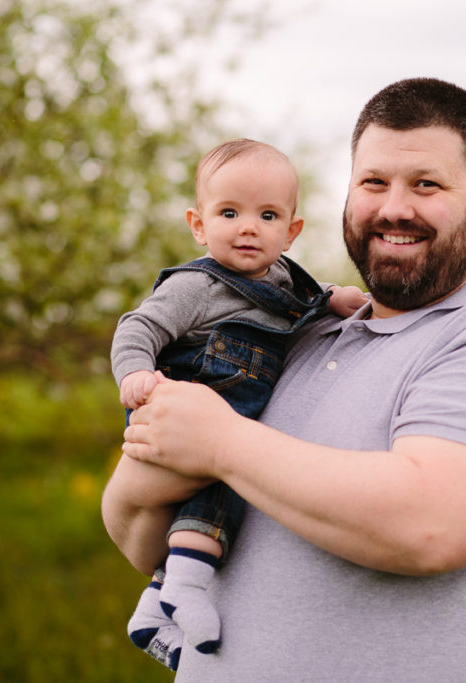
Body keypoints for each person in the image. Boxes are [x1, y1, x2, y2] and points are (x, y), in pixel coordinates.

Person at [103, 78, 466, 682]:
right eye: (373, 182)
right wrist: (160, 468)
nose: (394, 208)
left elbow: (427, 528)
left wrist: (220, 443)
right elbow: (137, 534)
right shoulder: (293, 337)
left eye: (427, 185)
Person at [110, 138, 366, 669]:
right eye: (229, 212)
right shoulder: (196, 286)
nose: (248, 227)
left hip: (228, 413)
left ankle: (154, 608)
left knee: (241, 469)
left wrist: (331, 298)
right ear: (199, 224)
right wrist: (134, 373)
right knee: (223, 483)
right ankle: (185, 587)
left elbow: (300, 303)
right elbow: (138, 326)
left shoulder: (283, 280)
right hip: (181, 404)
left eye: (267, 215)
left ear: (291, 232)